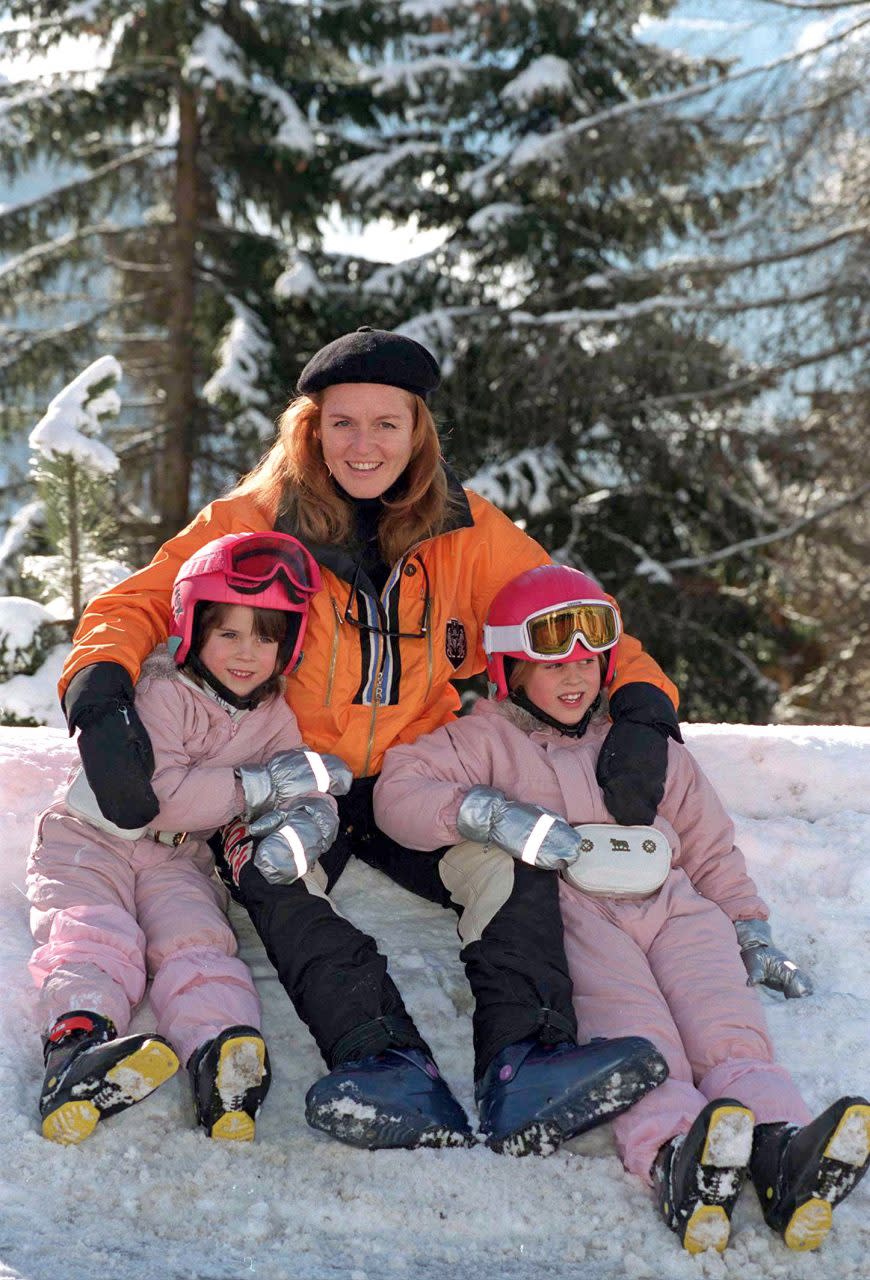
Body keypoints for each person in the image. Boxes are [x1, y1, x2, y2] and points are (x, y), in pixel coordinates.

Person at [56, 326, 680, 1152]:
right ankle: (384, 1064)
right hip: (286, 771)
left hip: (412, 774)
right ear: (310, 430)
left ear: (417, 431)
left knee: (509, 859)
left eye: (386, 423)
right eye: (341, 423)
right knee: (279, 878)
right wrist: (100, 692)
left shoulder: (467, 532)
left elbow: (564, 613)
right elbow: (133, 605)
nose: (364, 444)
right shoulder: (251, 517)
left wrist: (641, 703)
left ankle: (525, 1064)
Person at [373, 564, 870, 1251]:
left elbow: (708, 843)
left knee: (728, 1030)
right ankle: (675, 1156)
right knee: (641, 1041)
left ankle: (781, 1148)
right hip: (582, 917)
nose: (576, 677)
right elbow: (398, 793)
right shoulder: (487, 740)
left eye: (589, 661)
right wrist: (483, 813)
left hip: (676, 908)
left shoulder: (638, 744)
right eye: (554, 665)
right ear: (510, 668)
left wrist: (749, 928)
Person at [28, 531, 349, 1145]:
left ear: (289, 645)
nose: (246, 653)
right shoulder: (160, 690)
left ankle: (222, 1056)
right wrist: (262, 785)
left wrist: (309, 817)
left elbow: (295, 786)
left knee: (198, 942)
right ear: (193, 628)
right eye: (228, 632)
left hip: (178, 857)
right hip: (90, 838)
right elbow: (164, 794)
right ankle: (78, 1047)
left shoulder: (275, 717)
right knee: (98, 934)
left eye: (265, 636)